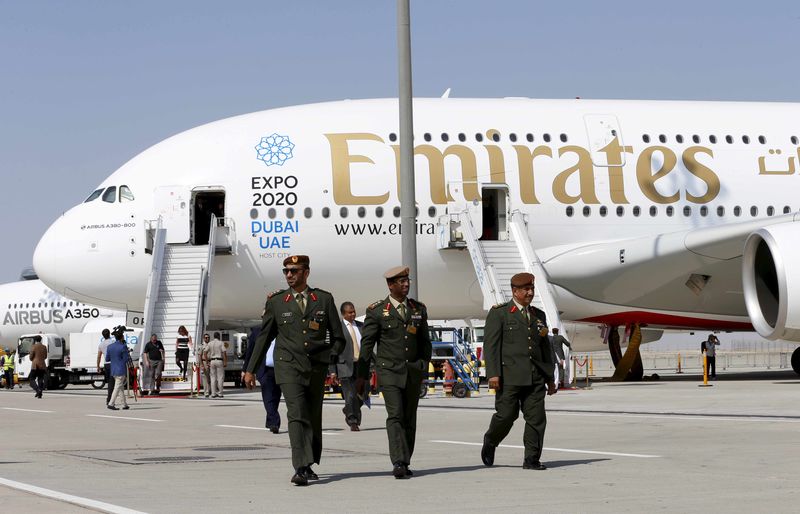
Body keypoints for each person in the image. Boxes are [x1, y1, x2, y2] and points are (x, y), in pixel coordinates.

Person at [244, 255, 346, 487]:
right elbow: (264, 338)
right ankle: (300, 466)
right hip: (288, 365)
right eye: (286, 271)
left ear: (306, 273)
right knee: (296, 414)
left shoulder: (323, 299)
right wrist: (250, 369)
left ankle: (309, 463)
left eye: (294, 271)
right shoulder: (278, 302)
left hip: (316, 367)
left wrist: (329, 357)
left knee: (312, 416)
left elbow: (338, 338)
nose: (289, 275)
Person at [357, 266, 432, 479]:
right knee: (396, 415)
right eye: (401, 282)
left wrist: (423, 367)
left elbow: (425, 342)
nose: (406, 284)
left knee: (409, 417)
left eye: (407, 281)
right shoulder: (377, 310)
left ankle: (406, 459)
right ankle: (398, 461)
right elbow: (367, 344)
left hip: (412, 371)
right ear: (390, 285)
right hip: (389, 371)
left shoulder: (418, 309)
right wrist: (362, 376)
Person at [481, 272, 557, 471]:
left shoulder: (538, 315)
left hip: (535, 377)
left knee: (537, 419)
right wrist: (493, 374)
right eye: (526, 289)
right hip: (509, 377)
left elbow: (544, 349)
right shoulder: (500, 313)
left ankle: (531, 459)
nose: (530, 292)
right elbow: (491, 346)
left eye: (531, 288)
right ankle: (491, 440)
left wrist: (550, 378)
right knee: (506, 415)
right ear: (515, 291)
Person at [243, 326, 282, 433]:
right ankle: (274, 422)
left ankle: (270, 420)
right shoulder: (257, 331)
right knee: (268, 396)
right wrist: (246, 369)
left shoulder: (282, 329)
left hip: (280, 369)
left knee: (276, 396)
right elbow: (250, 352)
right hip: (264, 370)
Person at [334, 301, 364, 431]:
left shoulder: (361, 326)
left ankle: (348, 408)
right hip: (344, 366)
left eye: (353, 311)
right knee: (350, 394)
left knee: (362, 395)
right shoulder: (338, 329)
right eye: (349, 312)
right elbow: (333, 350)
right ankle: (353, 421)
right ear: (343, 314)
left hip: (361, 365)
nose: (353, 314)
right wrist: (332, 371)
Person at [106, 327, 131, 410]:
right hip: (120, 369)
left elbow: (107, 359)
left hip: (113, 369)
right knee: (117, 387)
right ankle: (111, 403)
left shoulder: (109, 347)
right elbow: (126, 359)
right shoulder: (123, 347)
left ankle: (124, 404)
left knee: (120, 388)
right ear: (122, 337)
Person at [207, 332, 227, 398]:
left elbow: (205, 352)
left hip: (212, 361)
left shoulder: (210, 343)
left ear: (214, 336)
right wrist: (225, 361)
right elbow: (224, 352)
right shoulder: (221, 343)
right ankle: (220, 393)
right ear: (219, 336)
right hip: (219, 360)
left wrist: (207, 361)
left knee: (213, 378)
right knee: (220, 377)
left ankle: (213, 393)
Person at [96, 329, 114, 404]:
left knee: (110, 382)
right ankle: (111, 399)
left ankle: (109, 398)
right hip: (113, 363)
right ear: (109, 334)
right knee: (115, 382)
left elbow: (99, 357)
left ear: (103, 336)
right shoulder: (113, 342)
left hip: (106, 364)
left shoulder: (101, 344)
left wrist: (98, 366)